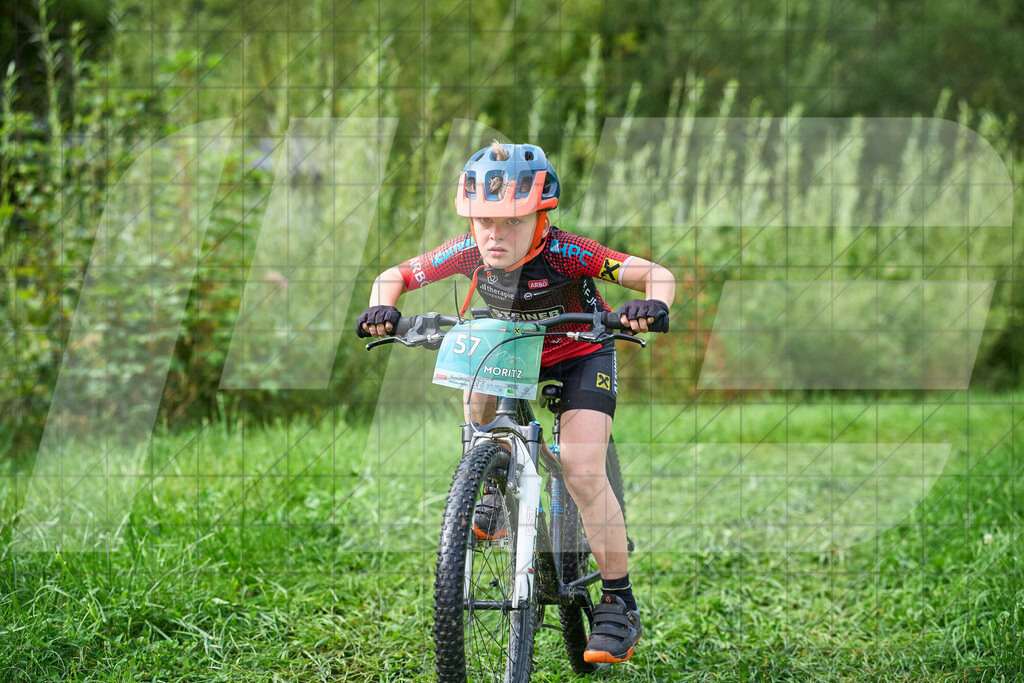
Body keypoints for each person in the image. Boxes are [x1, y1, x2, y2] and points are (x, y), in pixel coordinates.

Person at [356, 141, 674, 664]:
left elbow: (654, 273)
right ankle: (489, 479)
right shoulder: (466, 251)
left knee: (581, 468)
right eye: (483, 220)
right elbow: (394, 277)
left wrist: (652, 303)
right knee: (477, 384)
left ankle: (619, 602)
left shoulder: (568, 252)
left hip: (580, 352)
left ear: (541, 216)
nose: (493, 234)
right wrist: (381, 310)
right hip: (510, 349)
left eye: (511, 221)